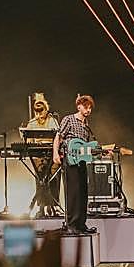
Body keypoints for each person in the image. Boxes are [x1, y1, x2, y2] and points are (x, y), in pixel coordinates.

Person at [52, 94, 96, 233]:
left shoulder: (86, 124)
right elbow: (58, 136)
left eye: (90, 108)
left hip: (81, 160)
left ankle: (81, 224)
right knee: (73, 192)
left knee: (83, 192)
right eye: (86, 107)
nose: (88, 110)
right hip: (70, 159)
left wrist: (102, 151)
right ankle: (71, 224)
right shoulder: (69, 119)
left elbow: (86, 146)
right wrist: (55, 153)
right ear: (79, 106)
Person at [22, 92, 60, 218]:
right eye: (36, 112)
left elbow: (58, 136)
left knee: (52, 178)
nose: (38, 114)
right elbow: (28, 141)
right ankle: (42, 207)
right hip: (37, 155)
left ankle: (53, 206)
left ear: (46, 109)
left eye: (41, 111)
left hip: (52, 153)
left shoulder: (53, 121)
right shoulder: (32, 123)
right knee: (40, 179)